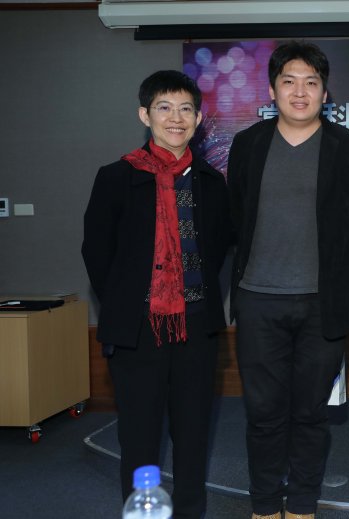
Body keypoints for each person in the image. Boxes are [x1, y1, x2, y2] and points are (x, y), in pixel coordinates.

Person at [227, 41, 349, 519]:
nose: (300, 92)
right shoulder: (248, 144)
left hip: (323, 304)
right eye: (289, 81)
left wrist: (337, 266)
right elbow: (235, 216)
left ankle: (301, 503)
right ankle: (264, 502)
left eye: (311, 82)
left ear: (325, 92)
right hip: (258, 300)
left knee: (311, 412)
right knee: (263, 411)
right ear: (272, 90)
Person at [82, 70, 232, 519]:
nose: (176, 118)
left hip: (197, 327)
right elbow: (97, 253)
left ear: (199, 119)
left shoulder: (211, 182)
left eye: (186, 109)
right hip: (138, 331)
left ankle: (189, 512)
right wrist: (131, 303)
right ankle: (142, 512)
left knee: (193, 434)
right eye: (164, 108)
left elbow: (217, 248)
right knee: (139, 436)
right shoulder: (117, 177)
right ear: (144, 115)